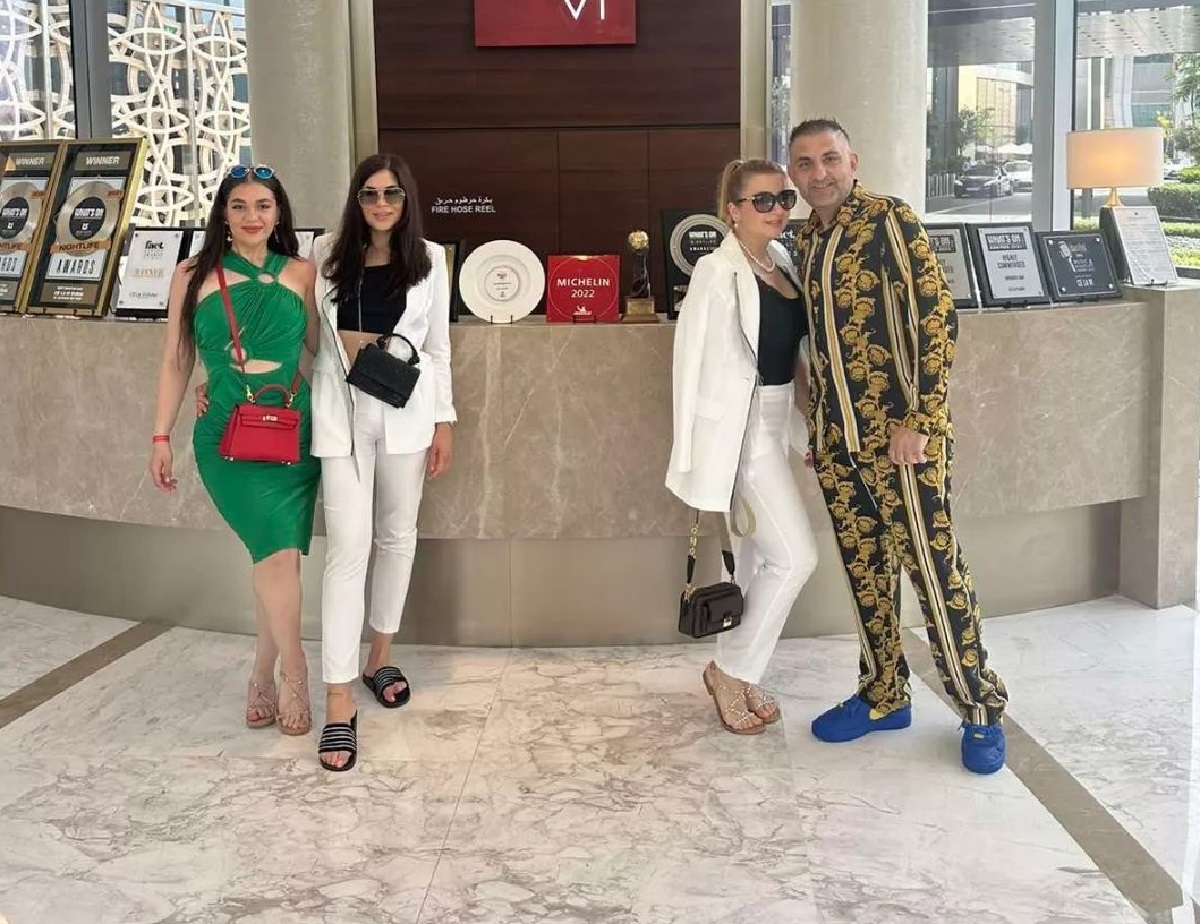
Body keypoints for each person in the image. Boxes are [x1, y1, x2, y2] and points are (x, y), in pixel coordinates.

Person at [786, 118, 1009, 774]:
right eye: (805, 163)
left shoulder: (889, 220)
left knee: (935, 574)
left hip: (902, 442)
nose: (819, 173)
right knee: (866, 575)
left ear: (852, 161)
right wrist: (818, 423)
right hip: (838, 444)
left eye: (829, 158)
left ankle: (980, 707)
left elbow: (937, 316)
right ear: (794, 174)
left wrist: (922, 419)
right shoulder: (806, 237)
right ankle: (884, 694)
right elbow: (818, 342)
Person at [150, 164, 321, 737]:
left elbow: (319, 353)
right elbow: (176, 359)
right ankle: (296, 671)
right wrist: (161, 435)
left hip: (293, 429)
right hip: (225, 433)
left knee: (277, 558)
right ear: (223, 213)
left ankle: (263, 674)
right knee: (274, 554)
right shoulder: (192, 274)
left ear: (279, 213)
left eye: (263, 205)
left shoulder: (301, 272)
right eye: (240, 205)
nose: (252, 216)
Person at [308, 153, 455, 771]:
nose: (380, 204)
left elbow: (439, 347)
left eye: (391, 194)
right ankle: (338, 700)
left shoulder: (431, 259)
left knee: (397, 537)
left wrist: (445, 420)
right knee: (348, 548)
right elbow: (306, 334)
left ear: (406, 199)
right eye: (369, 194)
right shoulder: (325, 254)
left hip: (405, 412)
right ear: (356, 200)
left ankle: (379, 658)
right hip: (341, 415)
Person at [666, 158, 819, 736]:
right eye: (763, 200)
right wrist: (698, 452)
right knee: (796, 557)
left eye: (784, 198)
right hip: (741, 433)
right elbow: (689, 365)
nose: (778, 209)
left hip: (779, 424)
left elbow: (794, 357)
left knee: (757, 563)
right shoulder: (716, 271)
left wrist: (807, 427)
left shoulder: (782, 262)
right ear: (732, 210)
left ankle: (744, 670)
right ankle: (730, 671)